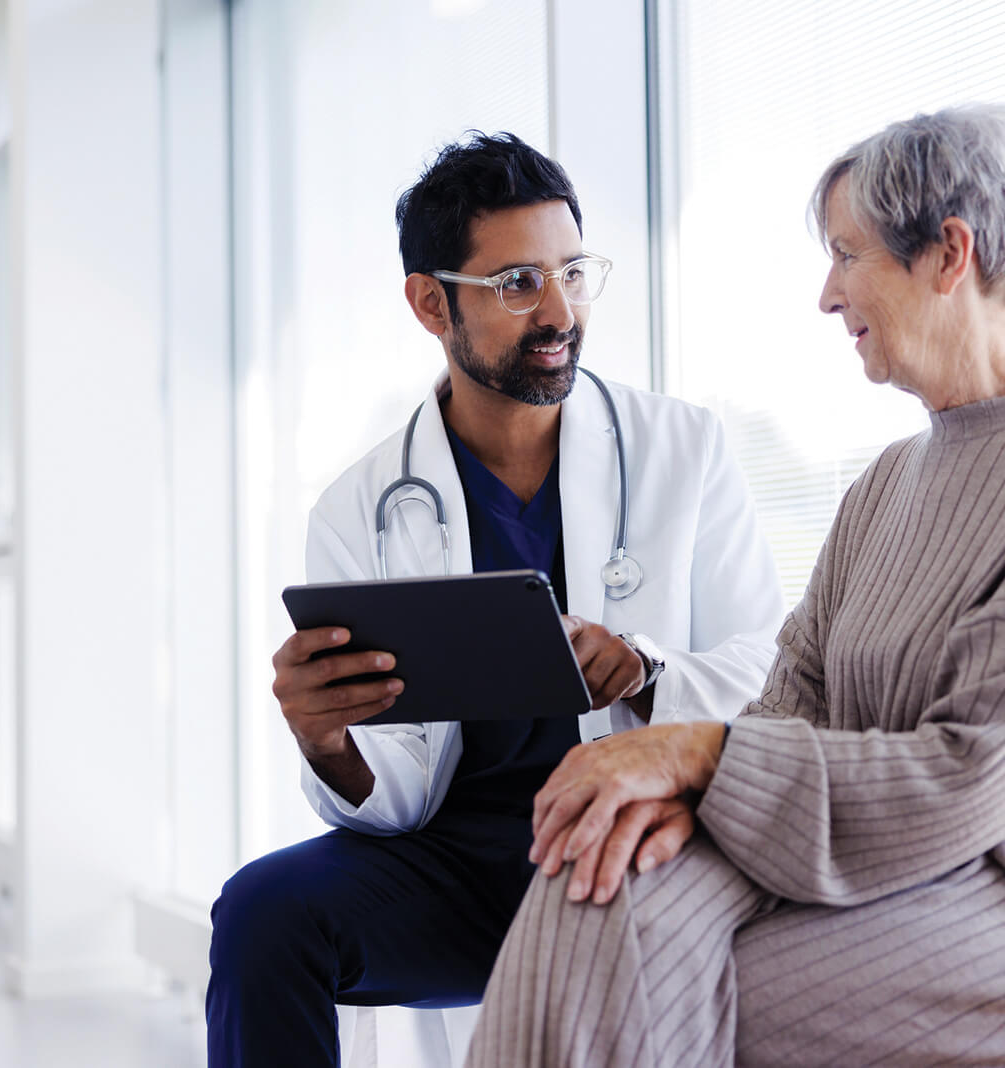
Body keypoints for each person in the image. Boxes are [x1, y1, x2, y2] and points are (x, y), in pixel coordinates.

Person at [465, 106, 1005, 1068]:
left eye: (846, 253)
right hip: (895, 869)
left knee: (660, 986)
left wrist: (698, 759)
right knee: (594, 880)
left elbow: (969, 774)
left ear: (949, 254)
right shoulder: (886, 487)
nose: (827, 294)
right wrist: (677, 788)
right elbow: (794, 702)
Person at [203, 132, 784, 1066]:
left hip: (630, 834)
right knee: (263, 915)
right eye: (517, 283)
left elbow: (772, 670)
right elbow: (389, 797)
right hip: (456, 864)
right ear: (432, 303)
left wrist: (647, 667)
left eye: (573, 272)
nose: (559, 309)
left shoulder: (686, 450)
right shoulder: (360, 510)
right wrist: (327, 743)